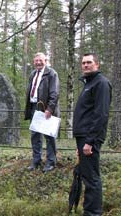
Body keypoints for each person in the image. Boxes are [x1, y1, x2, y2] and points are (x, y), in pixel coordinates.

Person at [73, 53, 112, 216]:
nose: (85, 65)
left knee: (92, 179)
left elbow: (101, 114)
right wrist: (81, 143)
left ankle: (93, 213)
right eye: (83, 63)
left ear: (97, 64)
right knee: (87, 177)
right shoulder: (89, 83)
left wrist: (89, 141)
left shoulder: (101, 83)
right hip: (84, 137)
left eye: (89, 62)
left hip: (90, 138)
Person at [24, 52, 60, 172]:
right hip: (34, 107)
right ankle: (36, 160)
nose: (38, 62)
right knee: (35, 135)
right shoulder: (33, 73)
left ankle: (51, 162)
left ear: (46, 61)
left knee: (49, 136)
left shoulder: (52, 73)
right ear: (34, 62)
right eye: (36, 61)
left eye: (41, 60)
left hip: (46, 108)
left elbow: (54, 93)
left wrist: (49, 109)